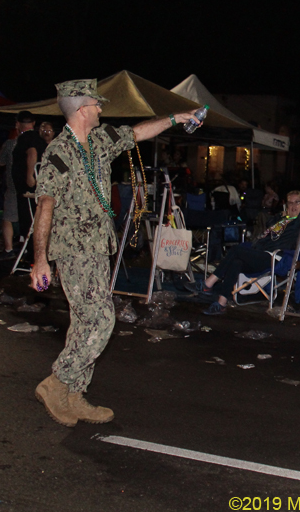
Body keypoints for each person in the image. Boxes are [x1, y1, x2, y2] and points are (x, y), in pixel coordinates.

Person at [30, 79, 202, 427]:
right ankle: (56, 382)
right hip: (74, 249)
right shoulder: (58, 153)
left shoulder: (99, 140)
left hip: (97, 246)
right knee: (102, 319)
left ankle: (75, 395)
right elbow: (45, 205)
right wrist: (40, 258)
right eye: (96, 103)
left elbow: (138, 133)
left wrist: (176, 118)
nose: (101, 107)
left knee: (83, 324)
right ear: (81, 109)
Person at [192, 189, 300, 315]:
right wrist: (283, 217)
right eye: (290, 203)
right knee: (236, 262)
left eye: (297, 202)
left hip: (277, 258)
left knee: (236, 250)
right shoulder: (281, 219)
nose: (293, 206)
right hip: (261, 254)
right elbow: (268, 230)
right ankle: (221, 303)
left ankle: (208, 283)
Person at [12, 110, 46, 242]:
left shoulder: (26, 138)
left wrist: (30, 175)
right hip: (32, 186)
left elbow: (32, 153)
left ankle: (30, 247)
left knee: (29, 217)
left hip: (28, 187)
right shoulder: (38, 138)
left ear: (18, 124)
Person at [0, 121, 20, 259]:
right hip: (30, 186)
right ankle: (24, 246)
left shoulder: (10, 144)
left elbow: (0, 161)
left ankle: (9, 248)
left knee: (8, 218)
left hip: (14, 187)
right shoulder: (38, 143)